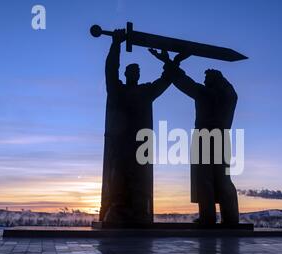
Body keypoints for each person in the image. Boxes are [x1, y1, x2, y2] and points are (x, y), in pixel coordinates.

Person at [150, 53, 240, 226]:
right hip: (222, 137)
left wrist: (169, 62)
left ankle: (208, 218)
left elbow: (183, 81)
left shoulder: (204, 93)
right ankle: (231, 217)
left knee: (204, 178)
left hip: (204, 137)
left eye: (207, 78)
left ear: (213, 81)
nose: (204, 81)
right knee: (223, 177)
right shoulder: (228, 96)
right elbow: (231, 92)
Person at [101, 30, 176, 225]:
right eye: (131, 72)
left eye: (137, 72)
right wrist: (115, 44)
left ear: (139, 75)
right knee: (119, 178)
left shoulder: (146, 91)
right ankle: (118, 210)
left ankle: (138, 211)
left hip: (140, 146)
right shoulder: (118, 91)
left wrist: (168, 60)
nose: (134, 74)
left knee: (139, 181)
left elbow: (166, 79)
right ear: (126, 74)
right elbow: (110, 70)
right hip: (122, 145)